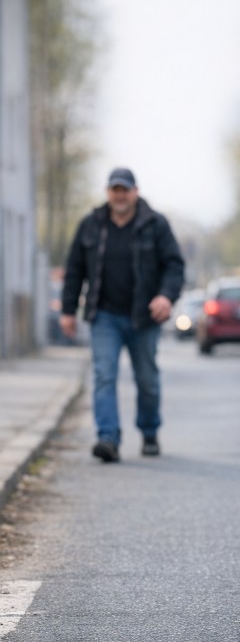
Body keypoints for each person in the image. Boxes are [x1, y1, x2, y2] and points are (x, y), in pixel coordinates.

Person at [59, 167, 185, 463]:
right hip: (104, 316)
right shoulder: (92, 224)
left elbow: (174, 265)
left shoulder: (155, 224)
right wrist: (67, 310)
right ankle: (108, 438)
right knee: (104, 375)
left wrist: (166, 296)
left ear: (135, 192)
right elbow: (75, 269)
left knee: (147, 379)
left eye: (124, 190)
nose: (119, 195)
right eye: (114, 190)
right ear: (108, 192)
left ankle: (150, 430)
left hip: (144, 317)